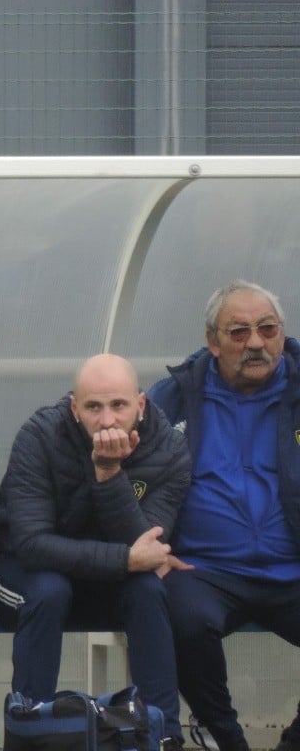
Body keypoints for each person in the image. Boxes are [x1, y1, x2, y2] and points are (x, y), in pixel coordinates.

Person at [0, 353, 190, 750]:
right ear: (75, 408)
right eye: (93, 407)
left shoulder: (171, 449)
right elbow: (33, 545)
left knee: (148, 591)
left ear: (140, 405)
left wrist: (109, 475)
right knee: (50, 590)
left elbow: (147, 543)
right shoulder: (39, 435)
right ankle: (27, 732)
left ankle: (163, 736)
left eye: (119, 405)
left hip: (107, 583)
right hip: (14, 572)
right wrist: (125, 559)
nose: (107, 420)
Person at [148, 281, 300, 751]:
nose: (255, 343)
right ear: (213, 342)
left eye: (267, 329)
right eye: (238, 332)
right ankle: (224, 737)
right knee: (176, 614)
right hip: (204, 569)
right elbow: (131, 481)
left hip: (293, 568)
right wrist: (145, 543)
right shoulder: (171, 399)